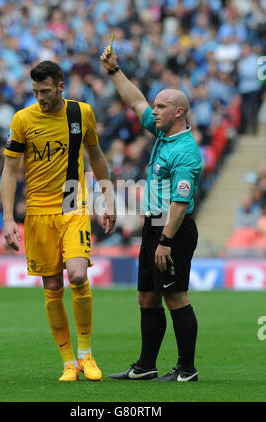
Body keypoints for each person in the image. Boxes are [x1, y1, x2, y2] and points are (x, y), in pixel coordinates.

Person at [1, 60, 116, 382]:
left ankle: (86, 354)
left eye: (46, 91)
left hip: (71, 203)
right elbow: (10, 170)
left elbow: (96, 154)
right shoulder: (22, 119)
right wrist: (9, 219)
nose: (40, 97)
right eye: (36, 91)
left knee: (78, 276)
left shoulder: (82, 113)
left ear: (61, 87)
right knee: (52, 287)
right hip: (37, 211)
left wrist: (107, 198)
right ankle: (68, 362)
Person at [100, 46, 202, 382]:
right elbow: (136, 102)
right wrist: (115, 71)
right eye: (155, 105)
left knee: (175, 297)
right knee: (146, 297)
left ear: (179, 111)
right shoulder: (162, 133)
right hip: (152, 225)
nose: (153, 110)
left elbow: (180, 203)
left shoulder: (186, 152)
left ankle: (187, 370)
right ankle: (146, 366)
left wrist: (166, 241)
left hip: (171, 229)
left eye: (161, 106)